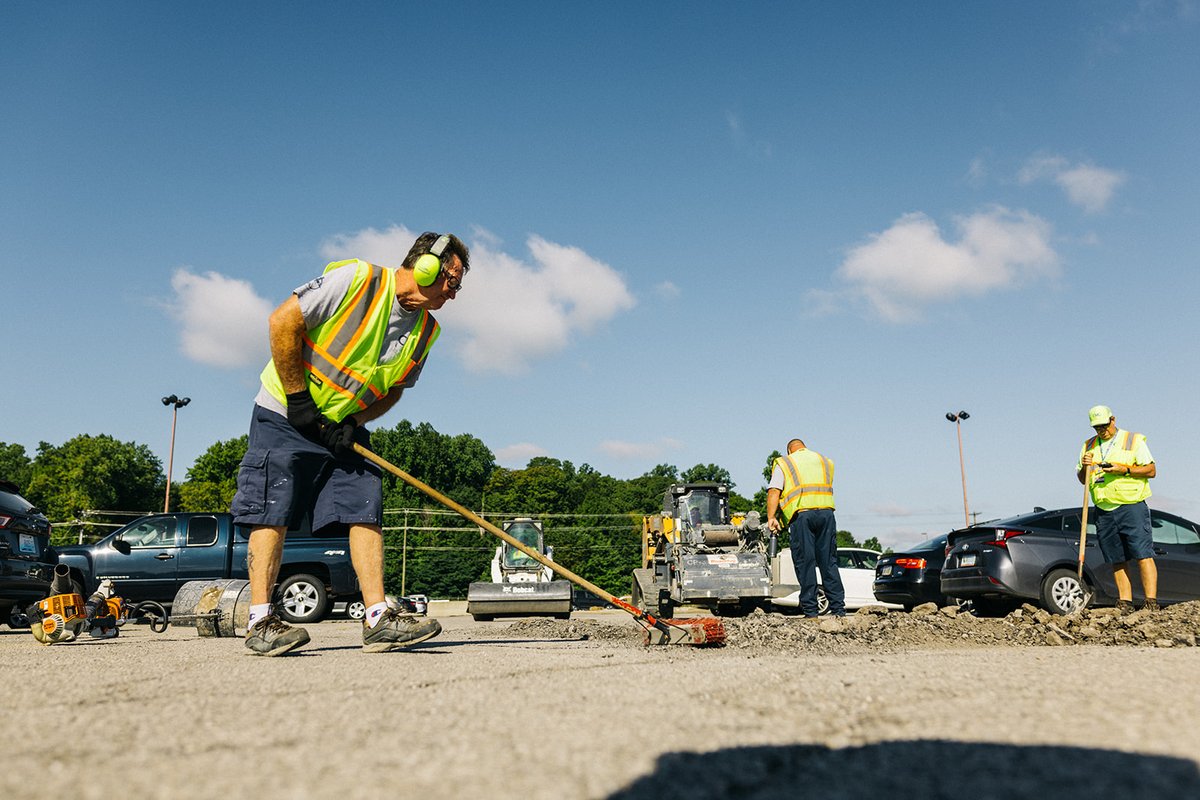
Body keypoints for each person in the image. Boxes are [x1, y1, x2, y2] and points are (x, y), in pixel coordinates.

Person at [230, 232, 470, 655]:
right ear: (426, 266)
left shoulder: (427, 332)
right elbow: (282, 321)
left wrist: (355, 420)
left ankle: (378, 618)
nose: (454, 293)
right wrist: (300, 400)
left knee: (365, 503)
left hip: (339, 429)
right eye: (452, 281)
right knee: (273, 508)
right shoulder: (356, 281)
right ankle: (261, 621)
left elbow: (394, 389)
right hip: (285, 413)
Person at [1076, 405, 1159, 613]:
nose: (1101, 430)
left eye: (1104, 425)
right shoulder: (1089, 445)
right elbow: (1081, 479)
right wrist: (1086, 467)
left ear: (1113, 419)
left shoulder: (1133, 440)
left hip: (1131, 505)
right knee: (1116, 557)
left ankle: (1150, 602)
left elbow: (1151, 470)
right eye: (1097, 427)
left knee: (1142, 554)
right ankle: (1125, 602)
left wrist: (1125, 470)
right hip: (1104, 509)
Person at [766, 438, 845, 617]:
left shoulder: (785, 463)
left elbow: (774, 491)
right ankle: (838, 610)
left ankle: (811, 611)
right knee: (829, 562)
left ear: (789, 451)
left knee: (805, 561)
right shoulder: (825, 462)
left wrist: (771, 517)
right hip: (827, 514)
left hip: (802, 516)